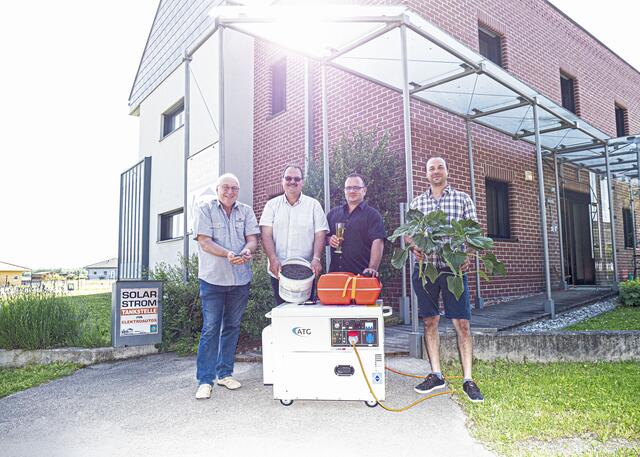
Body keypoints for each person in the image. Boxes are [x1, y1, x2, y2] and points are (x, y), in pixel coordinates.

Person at [407, 157, 484, 403]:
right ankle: (436, 374)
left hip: (454, 270)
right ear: (426, 174)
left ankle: (468, 379)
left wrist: (468, 255)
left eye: (440, 167)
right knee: (430, 322)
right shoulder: (417, 203)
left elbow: (474, 233)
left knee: (462, 323)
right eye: (431, 168)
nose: (436, 171)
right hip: (426, 269)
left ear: (447, 171)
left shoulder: (462, 199)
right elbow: (408, 235)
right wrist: (414, 247)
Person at [192, 173, 260, 400]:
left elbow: (252, 239)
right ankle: (205, 380)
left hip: (240, 280)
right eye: (226, 188)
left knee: (232, 326)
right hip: (213, 279)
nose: (230, 192)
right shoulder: (204, 209)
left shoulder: (246, 211)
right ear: (217, 188)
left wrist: (247, 250)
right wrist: (228, 254)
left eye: (234, 188)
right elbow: (204, 241)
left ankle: (225, 373)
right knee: (211, 329)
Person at [260, 165, 329, 304]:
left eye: (297, 178)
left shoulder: (314, 205)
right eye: (288, 178)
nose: (293, 181)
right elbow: (266, 235)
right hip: (279, 269)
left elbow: (320, 234)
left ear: (302, 182)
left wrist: (316, 258)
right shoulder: (271, 205)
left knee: (304, 314)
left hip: (307, 270)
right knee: (283, 312)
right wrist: (273, 258)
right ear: (282, 181)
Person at [327, 173, 385, 276]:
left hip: (361, 276)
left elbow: (378, 241)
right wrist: (329, 240)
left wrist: (372, 268)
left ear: (364, 190)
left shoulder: (373, 215)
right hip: (335, 276)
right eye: (348, 188)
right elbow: (324, 238)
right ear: (344, 191)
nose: (352, 191)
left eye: (356, 188)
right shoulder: (333, 214)